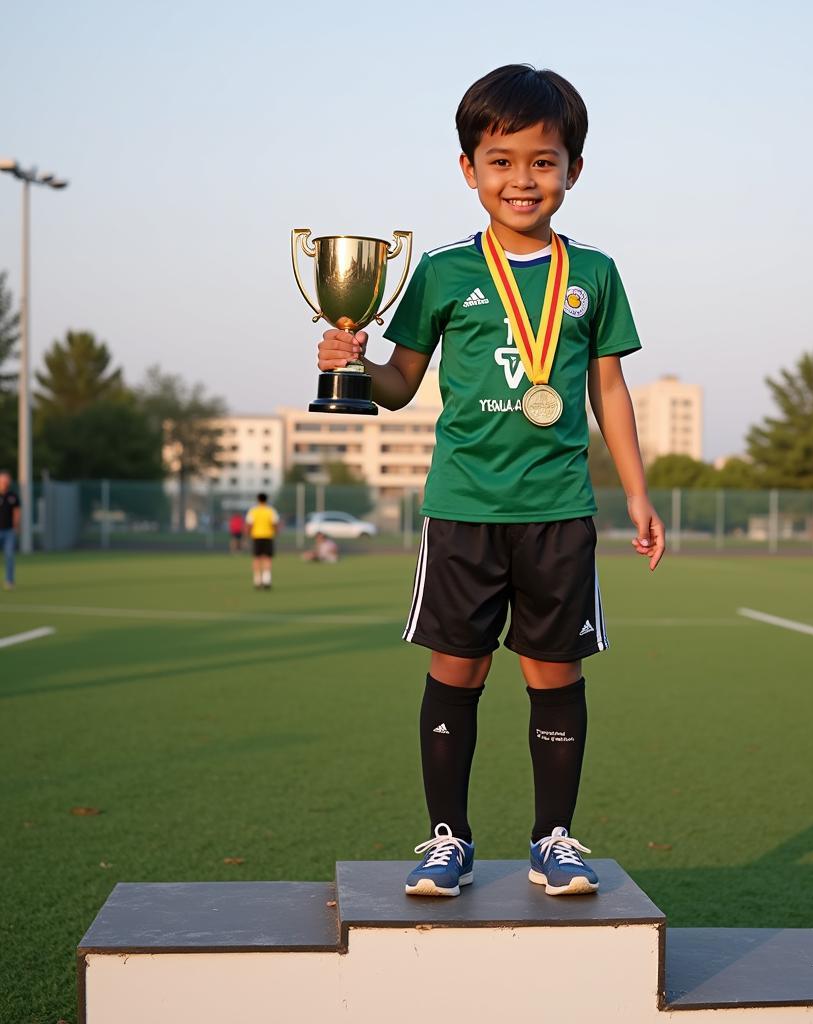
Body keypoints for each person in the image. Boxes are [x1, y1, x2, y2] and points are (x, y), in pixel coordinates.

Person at [318, 64, 664, 898]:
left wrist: (638, 493)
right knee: (458, 670)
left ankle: (554, 838)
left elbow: (607, 391)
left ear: (573, 170)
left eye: (543, 161)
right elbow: (402, 385)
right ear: (469, 168)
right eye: (501, 160)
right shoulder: (440, 272)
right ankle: (448, 838)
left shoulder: (598, 274)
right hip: (464, 508)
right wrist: (353, 368)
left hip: (559, 512)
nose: (522, 179)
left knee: (554, 674)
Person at [245, 492, 279, 590]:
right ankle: (267, 580)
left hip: (256, 537)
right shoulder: (271, 511)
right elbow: (274, 524)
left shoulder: (253, 511)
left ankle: (257, 581)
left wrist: (247, 535)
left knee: (256, 558)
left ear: (258, 499)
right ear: (266, 499)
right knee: (267, 559)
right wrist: (275, 532)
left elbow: (249, 525)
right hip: (268, 536)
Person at [0, 471, 20, 591]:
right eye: (3, 481)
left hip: (9, 531)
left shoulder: (13, 496)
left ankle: (9, 580)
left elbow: (17, 512)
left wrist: (16, 526)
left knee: (9, 556)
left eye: (7, 481)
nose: (5, 483)